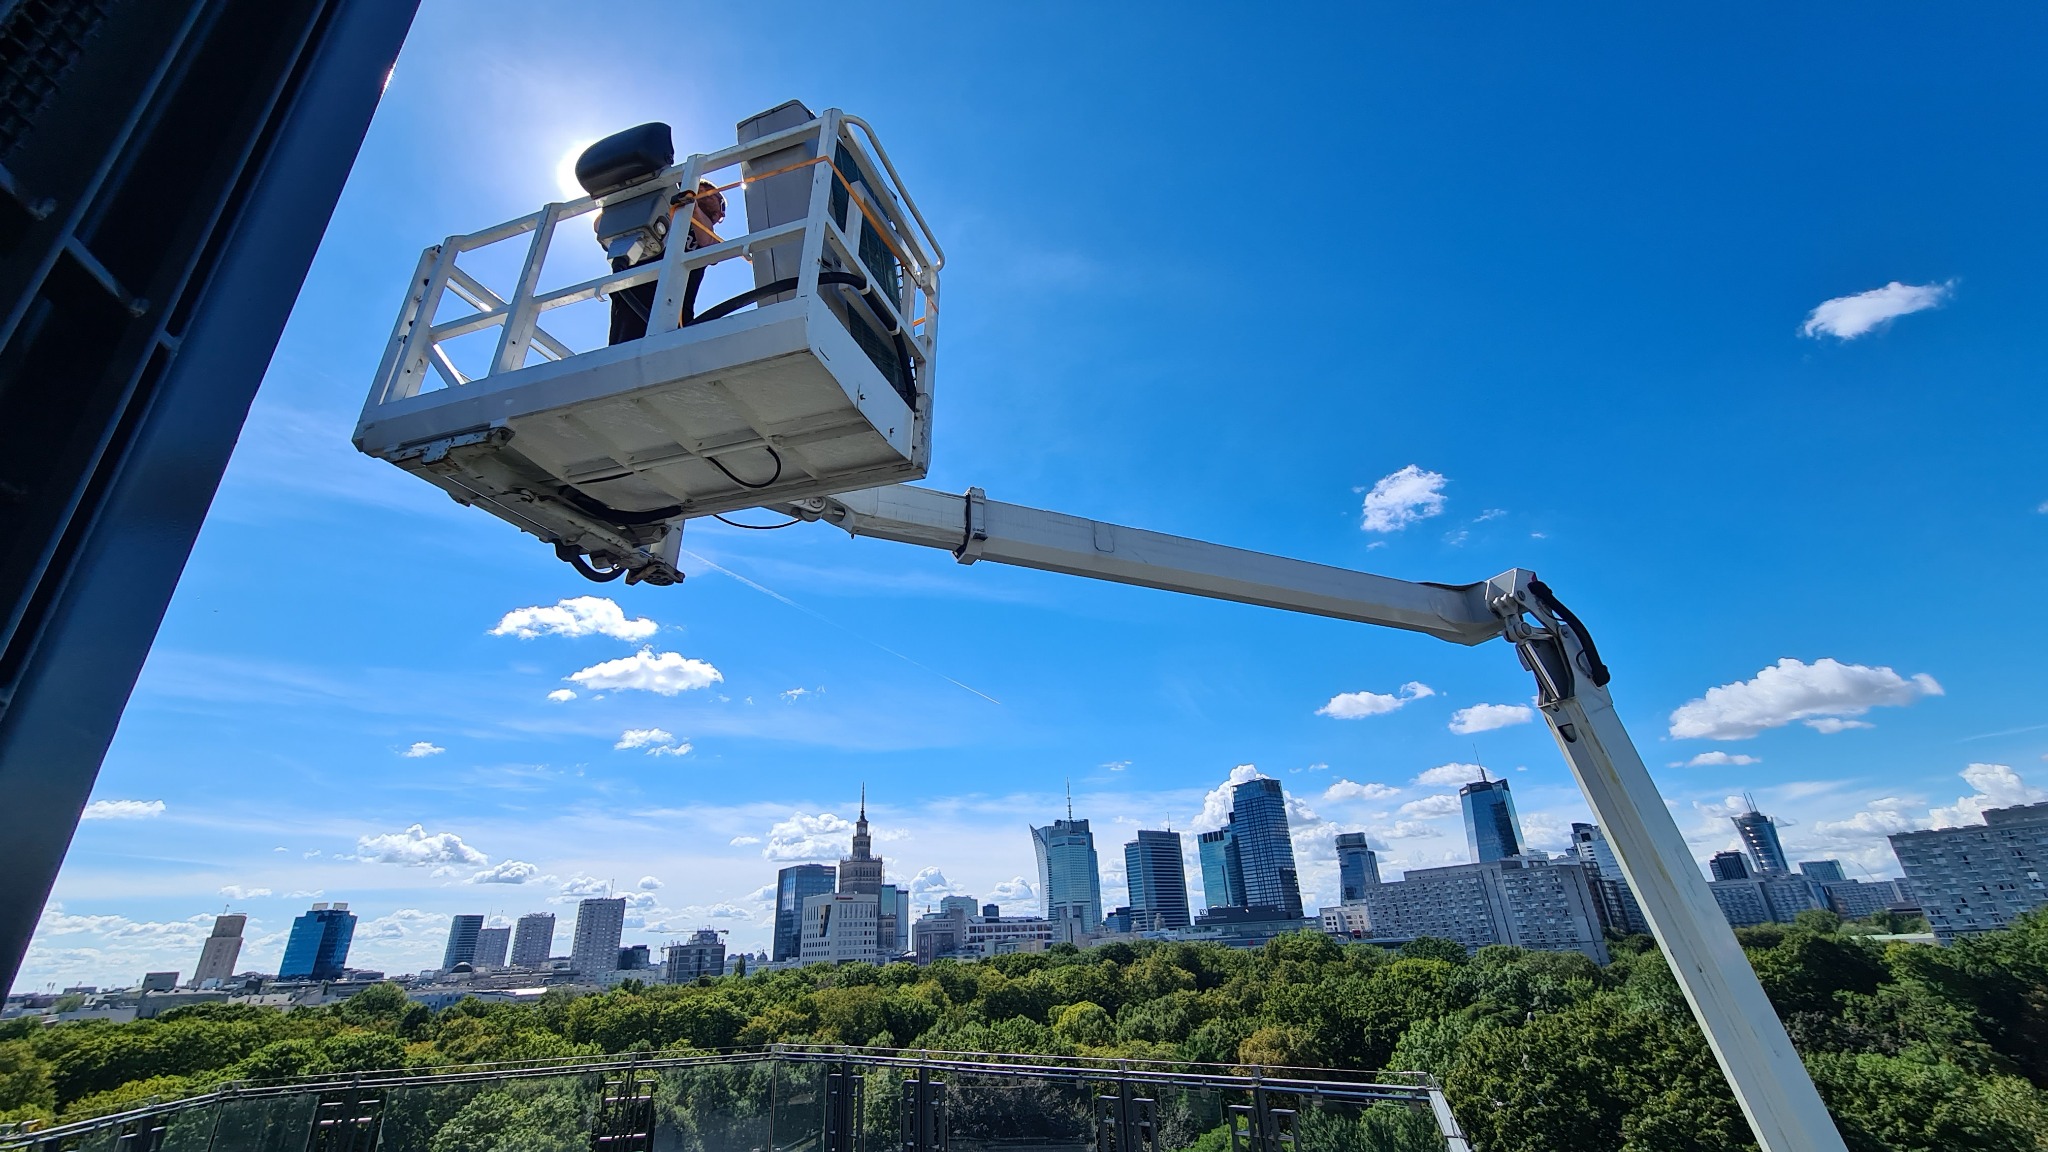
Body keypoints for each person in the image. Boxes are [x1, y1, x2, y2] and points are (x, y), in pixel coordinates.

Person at [607, 178, 728, 344]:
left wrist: (693, 209)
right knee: (626, 349)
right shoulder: (662, 213)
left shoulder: (706, 233)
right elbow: (600, 225)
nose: (721, 214)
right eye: (719, 202)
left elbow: (711, 247)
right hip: (634, 295)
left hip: (676, 308)